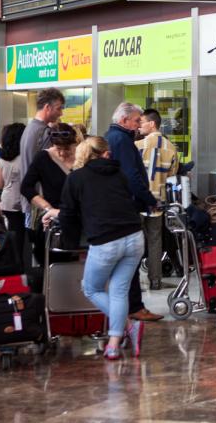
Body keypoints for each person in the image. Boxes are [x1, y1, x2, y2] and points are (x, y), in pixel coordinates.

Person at [46, 136, 146, 360]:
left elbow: (68, 212)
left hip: (105, 240)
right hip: (134, 236)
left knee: (91, 288)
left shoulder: (76, 178)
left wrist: (57, 219)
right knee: (119, 290)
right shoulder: (119, 174)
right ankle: (113, 343)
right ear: (104, 153)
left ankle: (128, 327)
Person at [105, 103, 163, 321]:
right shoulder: (122, 141)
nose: (139, 125)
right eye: (137, 120)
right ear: (124, 120)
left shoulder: (112, 137)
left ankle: (129, 305)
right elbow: (132, 176)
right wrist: (149, 200)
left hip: (117, 205)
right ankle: (134, 307)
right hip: (126, 207)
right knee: (131, 259)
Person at [21, 123, 79, 272]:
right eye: (58, 149)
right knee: (51, 265)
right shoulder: (43, 157)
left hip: (79, 219)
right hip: (53, 220)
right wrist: (48, 208)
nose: (61, 154)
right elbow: (26, 187)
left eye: (66, 149)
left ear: (75, 143)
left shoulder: (82, 157)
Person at [136, 109, 179, 291]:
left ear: (152, 124)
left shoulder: (137, 145)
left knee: (135, 241)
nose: (139, 126)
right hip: (158, 202)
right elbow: (172, 175)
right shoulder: (171, 148)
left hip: (138, 201)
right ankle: (155, 281)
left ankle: (135, 281)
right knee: (155, 241)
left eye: (142, 122)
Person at [19, 88, 66, 209]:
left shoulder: (28, 129)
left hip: (31, 199)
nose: (61, 113)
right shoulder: (44, 132)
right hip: (40, 201)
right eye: (59, 108)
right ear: (47, 107)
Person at [0, 122, 27, 257]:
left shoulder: (2, 160)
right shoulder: (27, 159)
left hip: (7, 203)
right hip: (26, 202)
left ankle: (13, 266)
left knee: (13, 238)